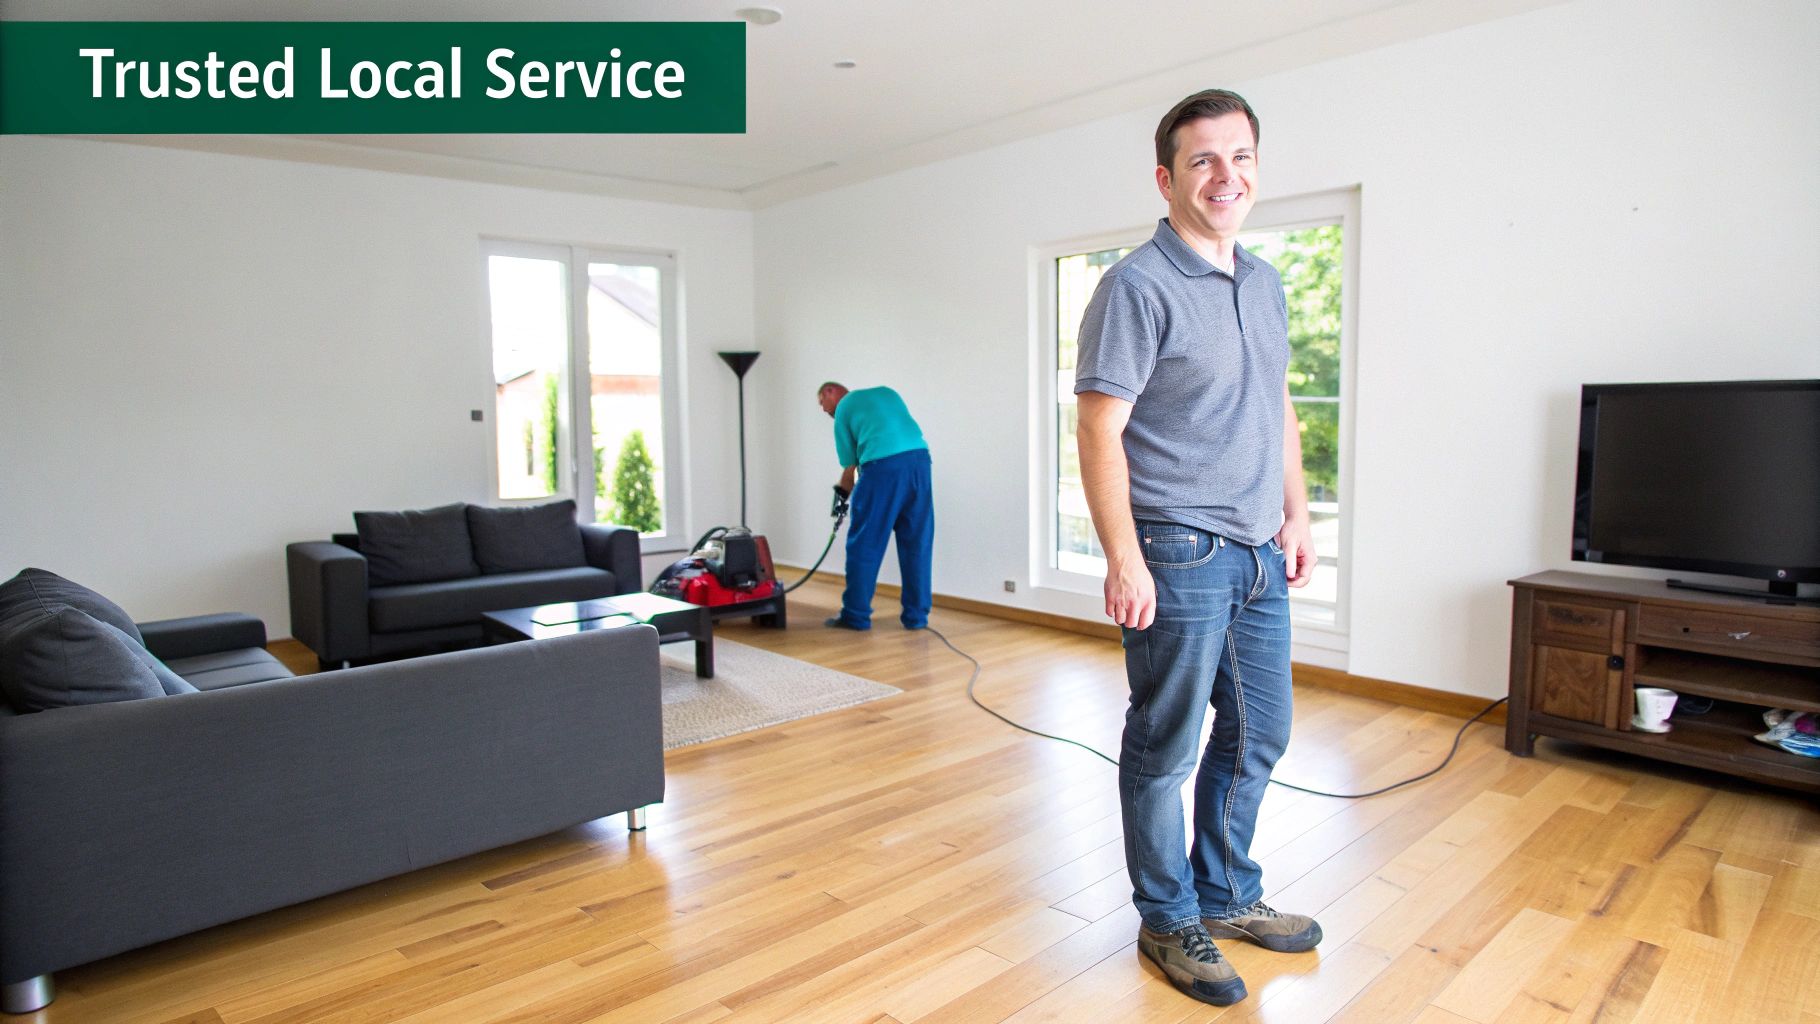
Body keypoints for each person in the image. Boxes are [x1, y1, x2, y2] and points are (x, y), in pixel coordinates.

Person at [1073, 89, 1321, 1008]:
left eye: (1241, 156)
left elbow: (1276, 402)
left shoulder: (1264, 280)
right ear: (1167, 178)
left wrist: (1298, 511)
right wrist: (1124, 556)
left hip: (1259, 550)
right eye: (1204, 159)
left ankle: (1225, 894)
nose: (1226, 175)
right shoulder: (1135, 287)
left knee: (1261, 732)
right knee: (1166, 742)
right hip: (1176, 549)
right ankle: (1167, 916)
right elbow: (1099, 429)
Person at [817, 382, 933, 630]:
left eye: (821, 403)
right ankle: (917, 617)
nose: (823, 410)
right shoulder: (888, 393)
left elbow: (850, 467)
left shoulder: (844, 408)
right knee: (917, 543)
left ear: (830, 392)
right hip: (920, 463)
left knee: (865, 544)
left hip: (882, 468)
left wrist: (840, 502)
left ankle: (855, 616)